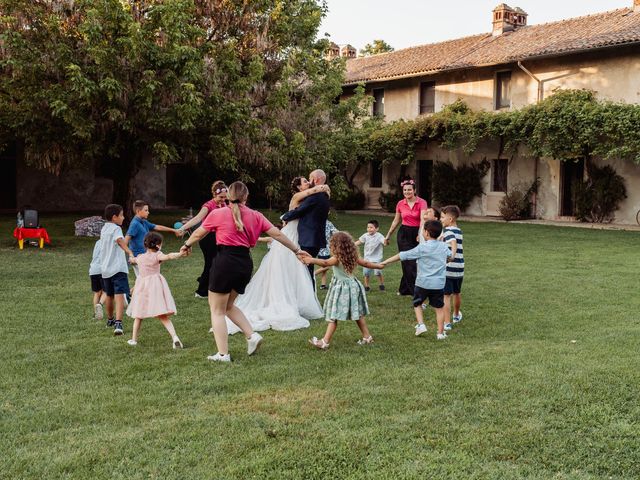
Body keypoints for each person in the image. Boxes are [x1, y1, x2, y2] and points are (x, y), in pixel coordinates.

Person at [180, 181, 310, 362]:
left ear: (229, 196)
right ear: (246, 197)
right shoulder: (256, 215)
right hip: (244, 264)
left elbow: (198, 233)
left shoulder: (218, 213)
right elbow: (278, 234)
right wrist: (296, 250)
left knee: (216, 310)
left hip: (225, 261)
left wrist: (186, 245)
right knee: (228, 306)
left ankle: (223, 354)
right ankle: (252, 335)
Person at [224, 177, 328, 335]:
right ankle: (282, 301)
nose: (308, 183)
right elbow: (313, 192)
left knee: (296, 271)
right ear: (299, 187)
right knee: (285, 268)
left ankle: (297, 301)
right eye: (305, 181)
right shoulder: (297, 197)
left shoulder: (307, 198)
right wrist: (325, 187)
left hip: (296, 236)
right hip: (289, 236)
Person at [303, 232, 383, 349]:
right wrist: (378, 266)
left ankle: (324, 342)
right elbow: (366, 263)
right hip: (353, 286)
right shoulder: (352, 257)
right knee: (358, 314)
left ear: (336, 246)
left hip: (343, 289)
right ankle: (367, 336)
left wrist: (310, 260)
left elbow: (325, 262)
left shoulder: (337, 258)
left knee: (333, 315)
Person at [381, 220, 452, 339]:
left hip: (422, 283)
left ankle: (421, 324)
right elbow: (450, 257)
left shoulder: (422, 248)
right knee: (439, 308)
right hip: (438, 284)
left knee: (417, 303)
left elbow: (403, 255)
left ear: (426, 233)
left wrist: (385, 262)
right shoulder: (444, 246)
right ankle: (440, 333)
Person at [126, 232, 185, 349]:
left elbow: (132, 260)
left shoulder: (140, 258)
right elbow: (168, 256)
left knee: (138, 315)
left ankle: (134, 340)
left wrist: (131, 259)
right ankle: (175, 337)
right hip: (155, 287)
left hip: (142, 288)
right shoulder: (157, 255)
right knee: (162, 315)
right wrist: (179, 254)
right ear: (158, 245)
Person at [177, 181, 228, 298]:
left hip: (218, 237)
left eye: (225, 197)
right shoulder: (208, 206)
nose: (223, 199)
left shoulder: (224, 205)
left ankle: (206, 282)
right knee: (211, 263)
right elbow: (197, 218)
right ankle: (201, 291)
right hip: (207, 237)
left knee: (218, 262)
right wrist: (183, 228)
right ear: (214, 194)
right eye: (221, 197)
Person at [281, 169, 331, 287]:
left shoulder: (316, 196)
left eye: (309, 179)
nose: (309, 182)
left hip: (309, 238)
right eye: (306, 181)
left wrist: (284, 217)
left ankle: (308, 299)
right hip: (314, 238)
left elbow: (299, 211)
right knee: (306, 271)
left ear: (316, 179)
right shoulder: (324, 195)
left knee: (306, 272)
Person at [383, 178, 428, 296]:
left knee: (413, 262)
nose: (407, 192)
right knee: (407, 261)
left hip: (416, 233)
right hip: (403, 234)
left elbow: (423, 220)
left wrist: (420, 233)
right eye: (405, 190)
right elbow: (395, 221)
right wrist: (387, 236)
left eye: (409, 190)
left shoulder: (422, 202)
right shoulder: (400, 203)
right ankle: (414, 291)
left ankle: (404, 289)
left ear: (414, 190)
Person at [100, 204, 135, 336]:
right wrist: (130, 252)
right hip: (117, 268)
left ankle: (110, 319)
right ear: (114, 217)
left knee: (109, 295)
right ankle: (118, 323)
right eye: (121, 215)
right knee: (119, 295)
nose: (123, 217)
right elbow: (120, 241)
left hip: (106, 269)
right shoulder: (116, 229)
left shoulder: (104, 228)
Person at [125, 200, 178, 277]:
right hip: (138, 258)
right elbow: (125, 241)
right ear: (138, 211)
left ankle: (133, 289)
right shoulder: (135, 224)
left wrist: (173, 230)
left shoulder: (143, 222)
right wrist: (131, 255)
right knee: (144, 282)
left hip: (146, 256)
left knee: (146, 281)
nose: (148, 212)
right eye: (146, 210)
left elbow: (157, 227)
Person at [441, 205, 464, 331]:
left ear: (450, 219)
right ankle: (456, 315)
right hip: (460, 268)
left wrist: (452, 255)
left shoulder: (448, 231)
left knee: (446, 296)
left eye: (443, 217)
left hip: (449, 267)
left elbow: (453, 243)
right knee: (457, 293)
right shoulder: (459, 230)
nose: (441, 220)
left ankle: (447, 323)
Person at [355, 219, 386, 291]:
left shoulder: (379, 236)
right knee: (366, 273)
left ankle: (381, 285)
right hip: (367, 258)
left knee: (378, 272)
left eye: (371, 227)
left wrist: (386, 241)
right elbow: (359, 241)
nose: (369, 229)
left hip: (377, 258)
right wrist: (352, 245)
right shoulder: (365, 235)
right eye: (368, 227)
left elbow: (384, 242)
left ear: (377, 229)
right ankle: (366, 286)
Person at [317, 219, 338, 289]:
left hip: (326, 248)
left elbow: (335, 232)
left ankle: (323, 285)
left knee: (324, 267)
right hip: (322, 249)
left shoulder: (328, 223)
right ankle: (313, 274)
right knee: (327, 266)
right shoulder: (316, 221)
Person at [89, 238, 106, 320]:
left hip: (93, 269)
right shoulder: (108, 242)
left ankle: (96, 314)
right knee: (107, 291)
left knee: (97, 293)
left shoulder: (98, 242)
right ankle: (100, 304)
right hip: (103, 269)